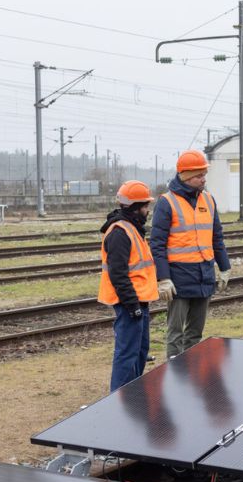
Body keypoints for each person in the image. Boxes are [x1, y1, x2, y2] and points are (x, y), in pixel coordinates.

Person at [150, 149, 232, 359]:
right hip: (178, 278)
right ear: (185, 176)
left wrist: (224, 267)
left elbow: (217, 237)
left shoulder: (208, 200)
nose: (203, 179)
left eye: (204, 174)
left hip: (204, 276)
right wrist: (163, 278)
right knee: (175, 334)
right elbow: (157, 245)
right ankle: (175, 377)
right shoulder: (166, 203)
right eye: (198, 176)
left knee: (195, 334)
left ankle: (192, 373)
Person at [98, 180, 159, 391]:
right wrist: (132, 305)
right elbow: (118, 275)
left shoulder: (132, 229)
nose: (147, 211)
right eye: (145, 206)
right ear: (134, 207)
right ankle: (119, 402)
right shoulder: (119, 233)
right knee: (127, 354)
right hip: (128, 304)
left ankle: (132, 395)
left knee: (140, 351)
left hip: (139, 301)